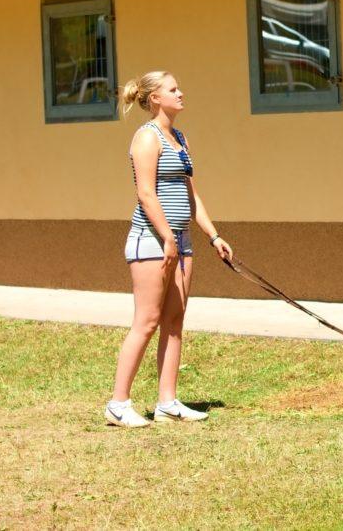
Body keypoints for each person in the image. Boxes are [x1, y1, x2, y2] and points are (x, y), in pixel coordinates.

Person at [105, 71, 233, 427]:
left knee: (174, 322)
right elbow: (146, 193)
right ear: (155, 98)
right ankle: (118, 404)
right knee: (146, 322)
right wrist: (167, 237)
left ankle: (167, 402)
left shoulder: (179, 137)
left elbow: (191, 194)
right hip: (152, 240)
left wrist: (213, 236)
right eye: (173, 89)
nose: (181, 93)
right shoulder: (147, 138)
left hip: (179, 241)